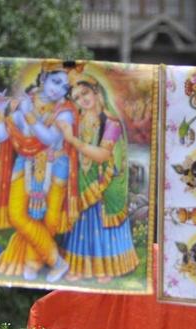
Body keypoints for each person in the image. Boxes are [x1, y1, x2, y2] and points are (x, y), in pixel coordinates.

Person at [0, 60, 79, 281]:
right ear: (43, 78)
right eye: (55, 82)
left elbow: (49, 139)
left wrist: (29, 115)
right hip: (25, 163)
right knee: (16, 214)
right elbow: (1, 136)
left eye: (65, 87)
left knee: (50, 221)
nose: (58, 90)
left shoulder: (65, 111)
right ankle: (57, 262)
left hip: (56, 166)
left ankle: (32, 263)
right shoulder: (25, 102)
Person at [55, 75, 138, 281]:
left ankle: (107, 268)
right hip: (83, 180)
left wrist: (72, 139)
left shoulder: (111, 123)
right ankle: (78, 267)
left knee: (101, 223)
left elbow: (102, 155)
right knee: (81, 223)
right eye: (76, 97)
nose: (82, 100)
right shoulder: (79, 120)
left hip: (106, 183)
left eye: (85, 93)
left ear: (96, 92)